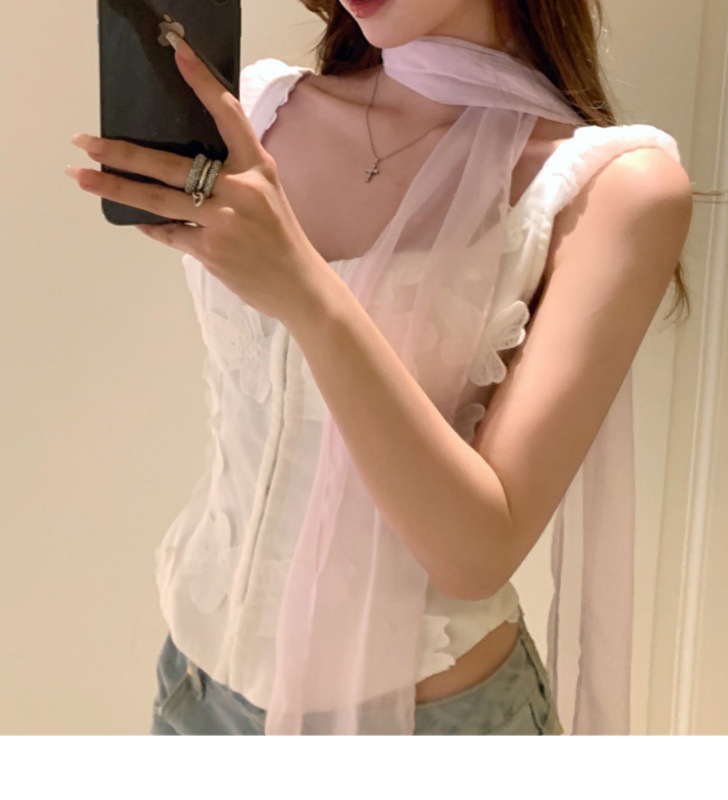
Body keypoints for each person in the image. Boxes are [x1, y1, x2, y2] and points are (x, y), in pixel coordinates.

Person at [69, 0, 692, 735]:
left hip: (433, 727)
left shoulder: (615, 188)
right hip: (194, 696)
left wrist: (308, 296)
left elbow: (477, 557)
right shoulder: (257, 111)